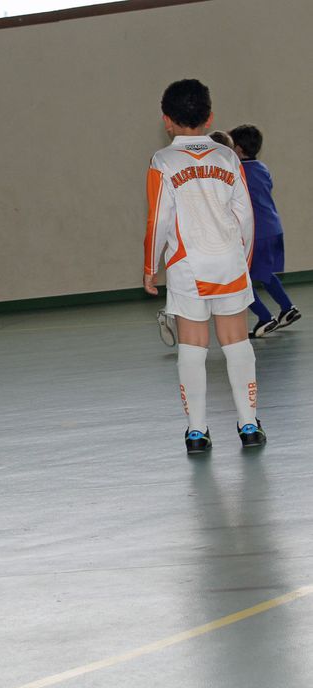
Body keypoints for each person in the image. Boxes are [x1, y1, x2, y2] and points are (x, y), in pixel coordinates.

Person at [143, 79, 265, 454]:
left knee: (193, 348)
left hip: (187, 267)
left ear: (166, 120)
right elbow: (244, 215)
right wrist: (241, 261)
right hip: (228, 261)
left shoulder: (163, 161)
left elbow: (158, 220)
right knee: (237, 342)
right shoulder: (228, 157)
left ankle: (197, 432)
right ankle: (248, 425)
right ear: (210, 116)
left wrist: (150, 267)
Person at [156, 130, 232, 348]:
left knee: (201, 299)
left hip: (212, 251)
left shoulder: (220, 174)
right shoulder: (183, 172)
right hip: (203, 249)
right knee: (200, 299)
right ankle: (170, 315)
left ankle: (171, 314)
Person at [228, 123, 301, 337]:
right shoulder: (262, 167)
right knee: (265, 273)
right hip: (273, 227)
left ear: (238, 149)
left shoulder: (238, 173)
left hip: (256, 232)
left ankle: (264, 317)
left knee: (240, 279)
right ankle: (287, 308)